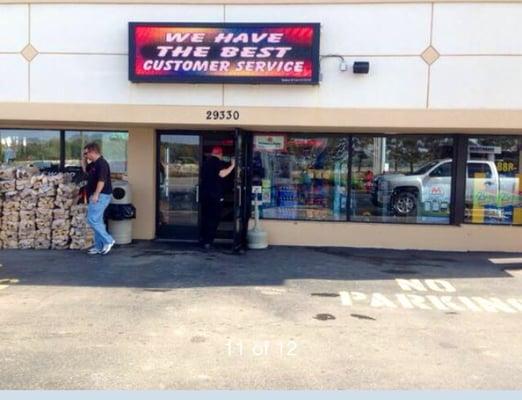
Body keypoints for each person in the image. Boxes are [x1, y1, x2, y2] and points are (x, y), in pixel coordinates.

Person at [81, 142, 115, 255]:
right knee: (97, 221)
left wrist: (96, 194)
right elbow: (85, 169)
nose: (85, 155)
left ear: (93, 151)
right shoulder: (94, 164)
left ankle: (109, 240)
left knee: (92, 219)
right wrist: (84, 159)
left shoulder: (102, 164)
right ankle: (99, 246)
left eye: (86, 153)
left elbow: (102, 180)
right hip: (97, 195)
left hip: (101, 195)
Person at [200, 146, 235, 250]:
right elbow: (222, 174)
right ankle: (208, 241)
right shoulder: (217, 163)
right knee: (214, 218)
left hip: (204, 195)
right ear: (220, 154)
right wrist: (233, 166)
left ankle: (203, 239)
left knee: (205, 218)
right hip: (215, 195)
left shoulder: (205, 163)